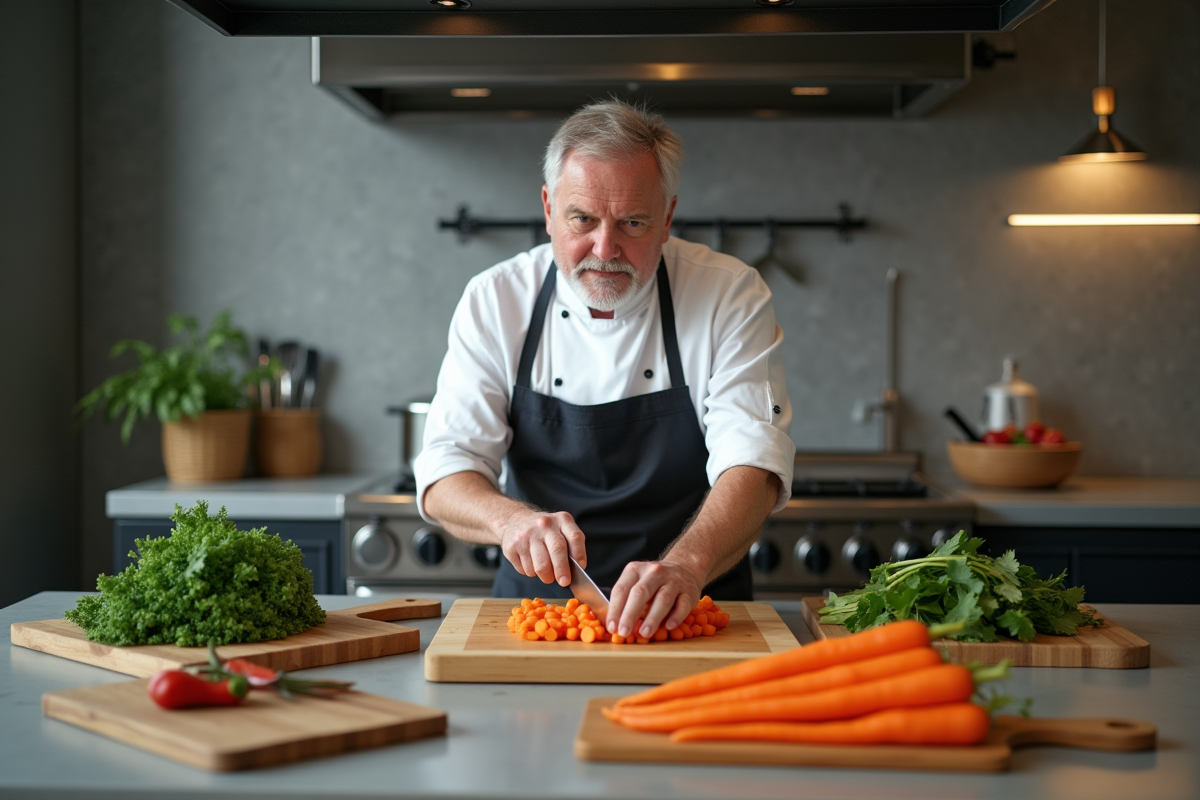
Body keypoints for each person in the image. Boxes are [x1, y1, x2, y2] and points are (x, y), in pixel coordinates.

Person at [415, 99, 794, 642]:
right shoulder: (496, 300)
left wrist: (686, 566)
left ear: (666, 219)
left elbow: (753, 461)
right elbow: (446, 470)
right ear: (549, 209)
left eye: (633, 222)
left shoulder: (728, 294)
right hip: (544, 620)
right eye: (582, 219)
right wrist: (510, 521)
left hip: (695, 609)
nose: (605, 248)